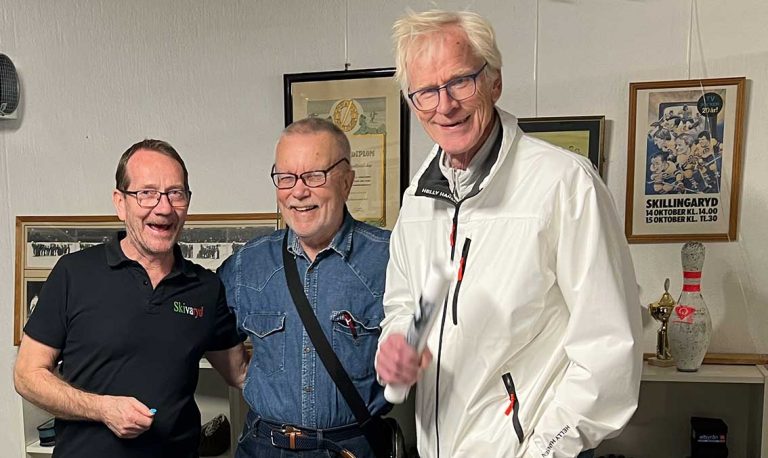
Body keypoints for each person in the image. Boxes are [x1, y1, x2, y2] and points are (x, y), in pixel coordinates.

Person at [375, 10, 642, 458]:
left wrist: (544, 451)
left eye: (460, 81)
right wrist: (395, 347)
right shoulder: (417, 199)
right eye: (426, 92)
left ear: (494, 81)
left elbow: (609, 351)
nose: (445, 105)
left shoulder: (564, 184)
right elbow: (403, 308)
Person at [14, 139, 249, 458]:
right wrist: (102, 408)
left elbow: (240, 373)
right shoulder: (74, 273)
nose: (164, 208)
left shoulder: (205, 287)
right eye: (147, 193)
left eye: (175, 193)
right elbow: (27, 376)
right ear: (120, 203)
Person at [218, 117, 391, 457]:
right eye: (286, 177)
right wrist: (240, 374)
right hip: (263, 448)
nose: (298, 192)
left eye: (314, 175)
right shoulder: (247, 264)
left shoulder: (390, 258)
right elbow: (207, 320)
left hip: (351, 449)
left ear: (347, 181)